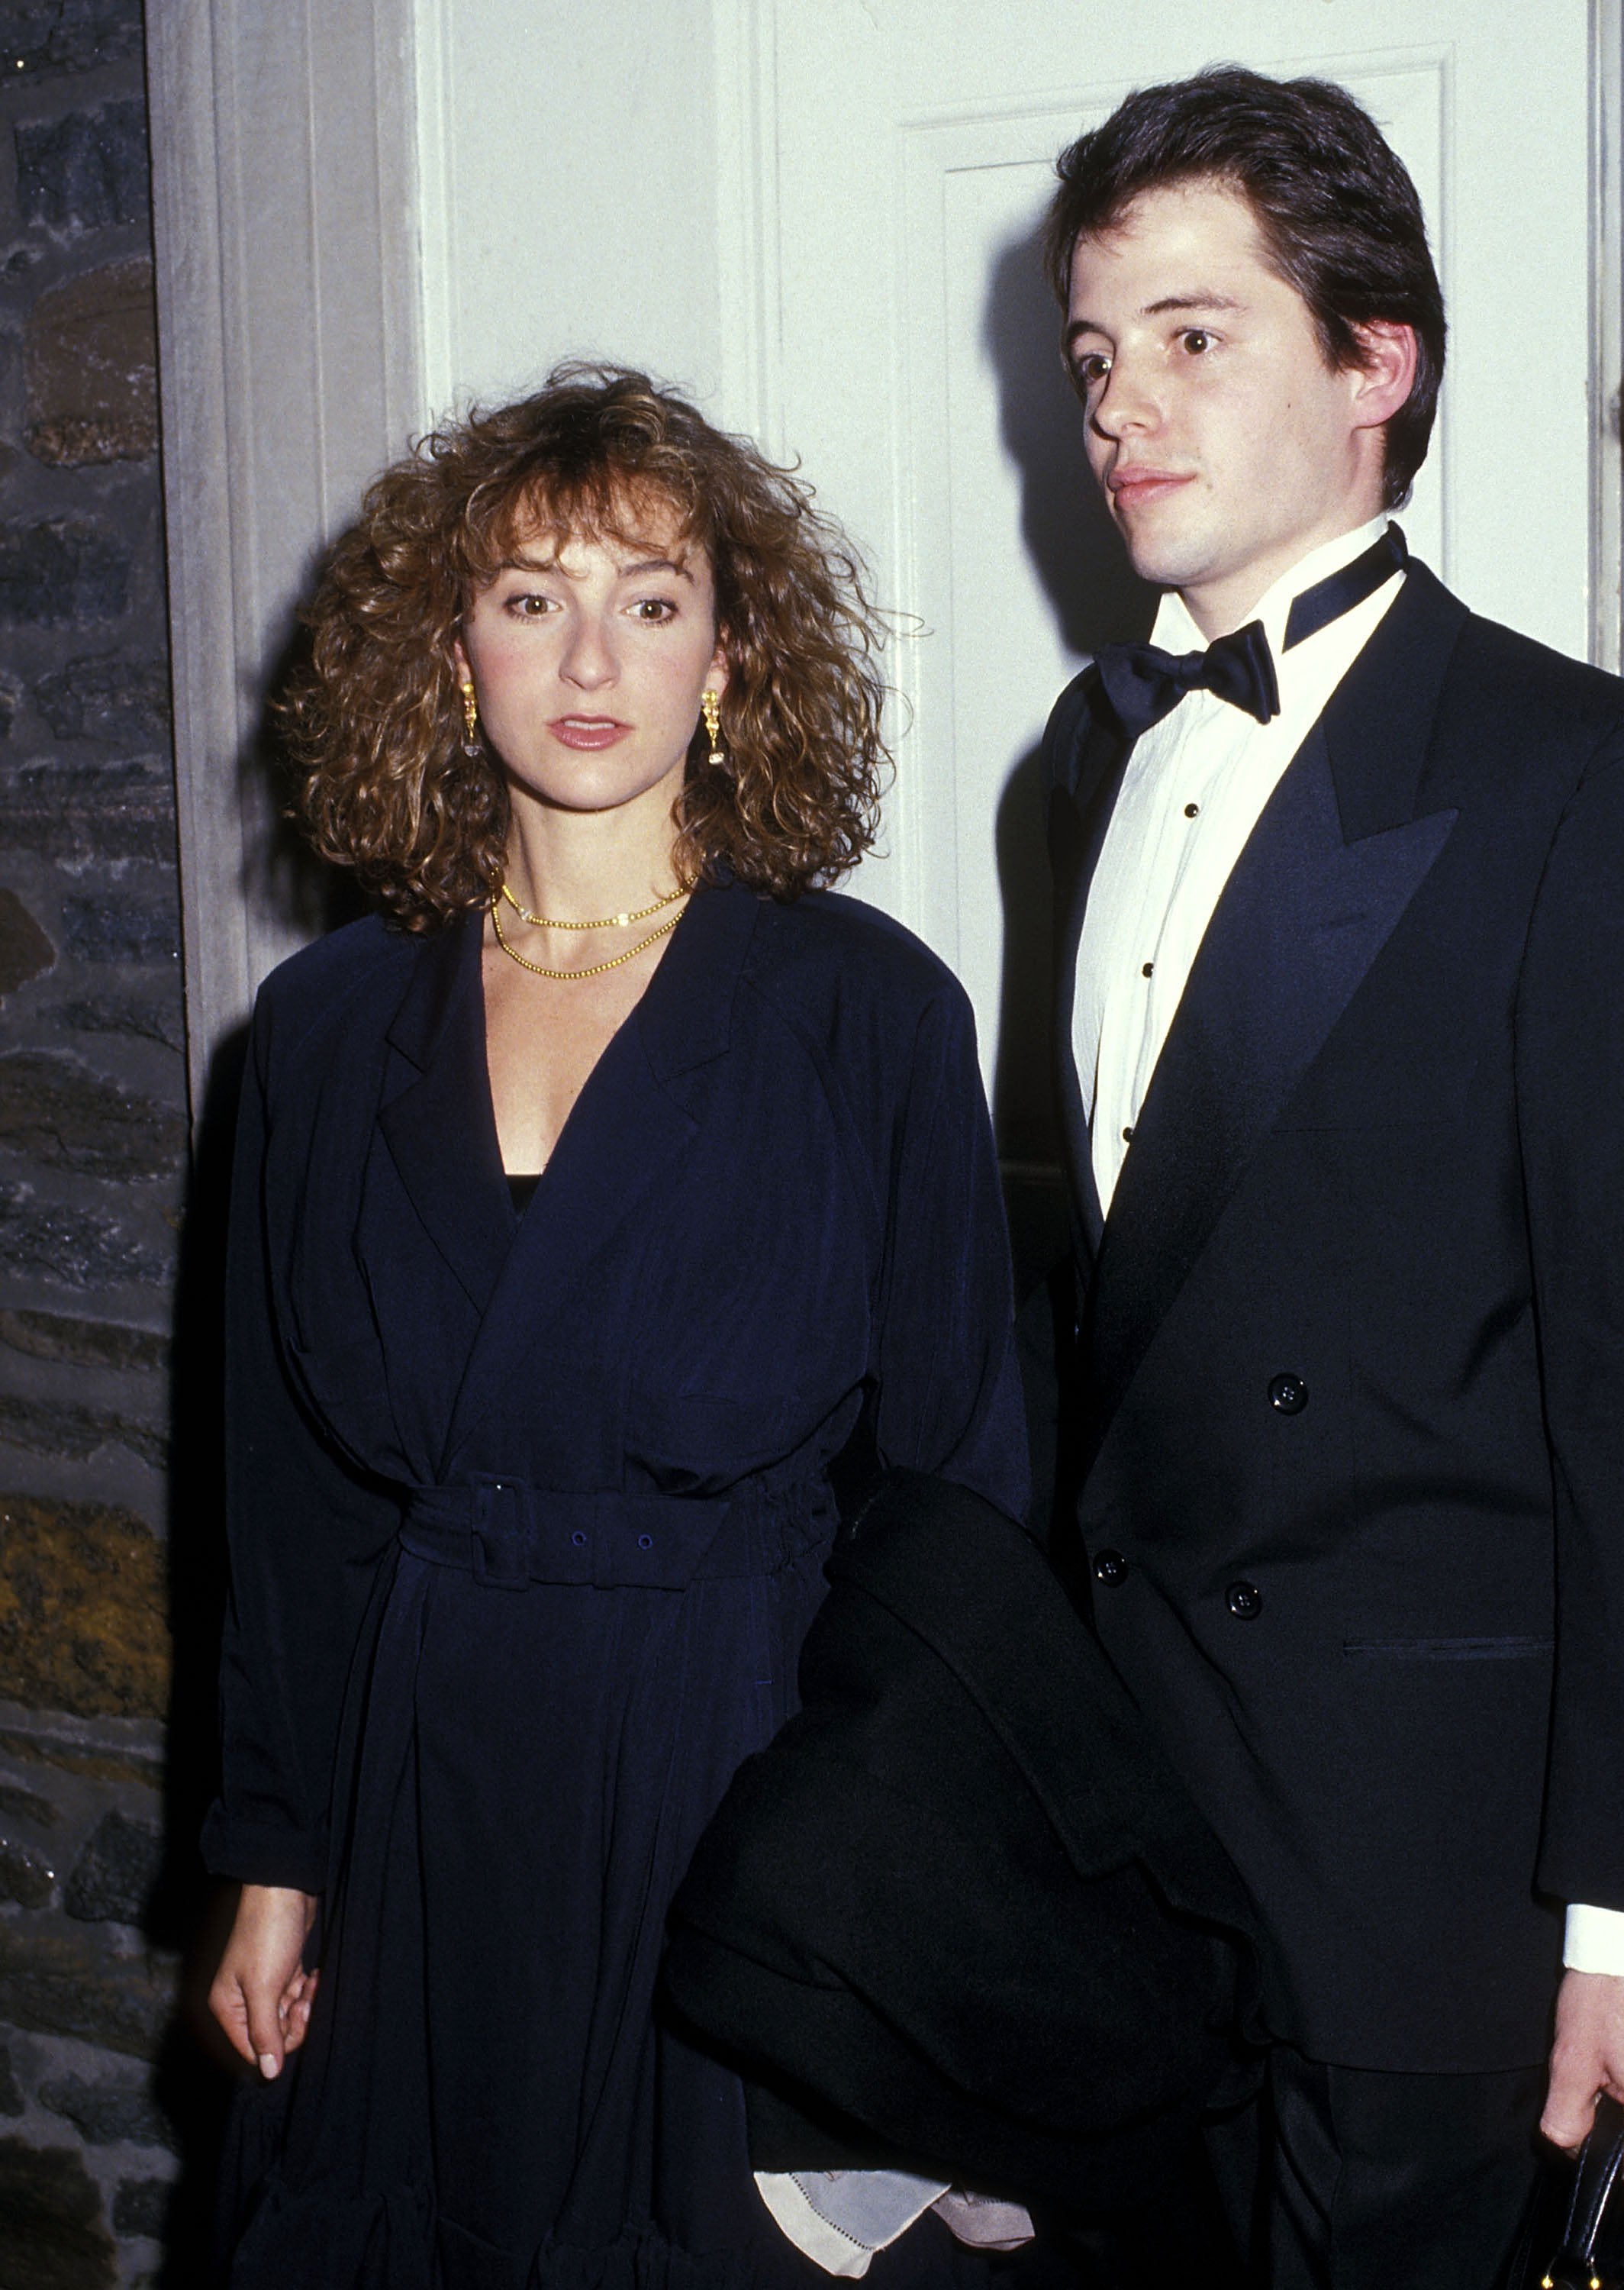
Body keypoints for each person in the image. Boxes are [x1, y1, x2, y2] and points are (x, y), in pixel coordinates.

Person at [201, 364, 1028, 2288]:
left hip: (733, 1783)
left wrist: (895, 1915)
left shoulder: (866, 1014)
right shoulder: (320, 1033)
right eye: (527, 597)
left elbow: (956, 1513)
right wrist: (276, 1852)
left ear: (729, 655)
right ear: (448, 655)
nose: (591, 655)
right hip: (422, 1781)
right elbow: (291, 1508)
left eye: (651, 600)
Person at [1024, 65, 1624, 2287]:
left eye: (1193, 339)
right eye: (1095, 356)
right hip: (1133, 1848)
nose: (1118, 410)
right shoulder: (1075, 772)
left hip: (1425, 1877)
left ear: (1373, 364)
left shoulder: (1579, 777)